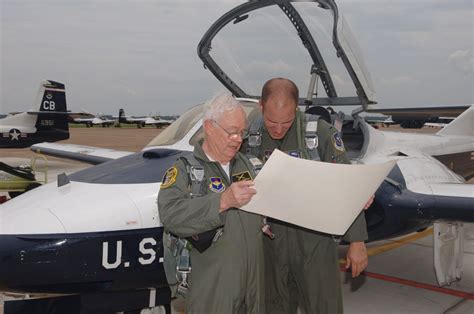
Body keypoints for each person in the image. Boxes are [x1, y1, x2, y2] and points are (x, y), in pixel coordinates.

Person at [242, 78, 372, 314]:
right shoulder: (249, 138)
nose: (279, 129)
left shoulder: (320, 133)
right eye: (272, 121)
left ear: (297, 109)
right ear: (260, 106)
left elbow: (346, 185)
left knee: (324, 307)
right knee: (272, 307)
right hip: (270, 243)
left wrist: (357, 241)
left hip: (315, 243)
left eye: (287, 121)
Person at [158, 92, 265, 314]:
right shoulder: (185, 170)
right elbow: (170, 215)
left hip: (253, 289)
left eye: (242, 132)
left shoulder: (249, 165)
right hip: (212, 291)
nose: (238, 139)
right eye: (232, 132)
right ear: (209, 127)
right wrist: (222, 201)